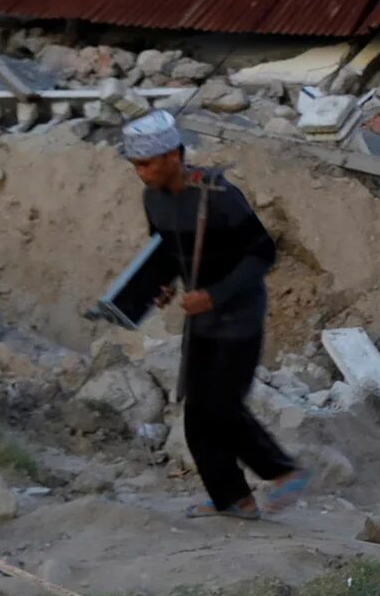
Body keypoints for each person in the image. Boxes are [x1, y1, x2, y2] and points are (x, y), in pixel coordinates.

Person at [118, 111, 305, 521]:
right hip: (200, 319)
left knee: (220, 405)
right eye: (135, 165)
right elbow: (166, 250)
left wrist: (215, 295)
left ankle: (284, 472)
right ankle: (232, 498)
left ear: (172, 156)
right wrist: (164, 283)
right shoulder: (153, 199)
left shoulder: (218, 196)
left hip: (238, 317)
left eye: (146, 163)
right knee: (197, 414)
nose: (140, 173)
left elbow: (262, 253)